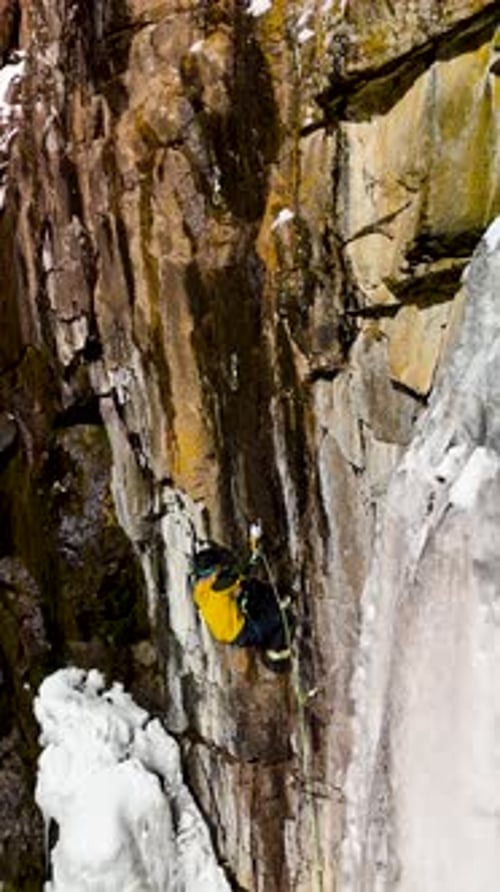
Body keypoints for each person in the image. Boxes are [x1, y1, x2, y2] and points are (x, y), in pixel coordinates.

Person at [190, 543, 294, 671]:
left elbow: (234, 585)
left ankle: (274, 606)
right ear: (214, 569)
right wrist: (254, 548)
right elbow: (244, 570)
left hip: (229, 632)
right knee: (285, 618)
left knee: (250, 587)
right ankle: (275, 657)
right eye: (219, 566)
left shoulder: (199, 590)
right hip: (244, 632)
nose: (222, 567)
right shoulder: (219, 585)